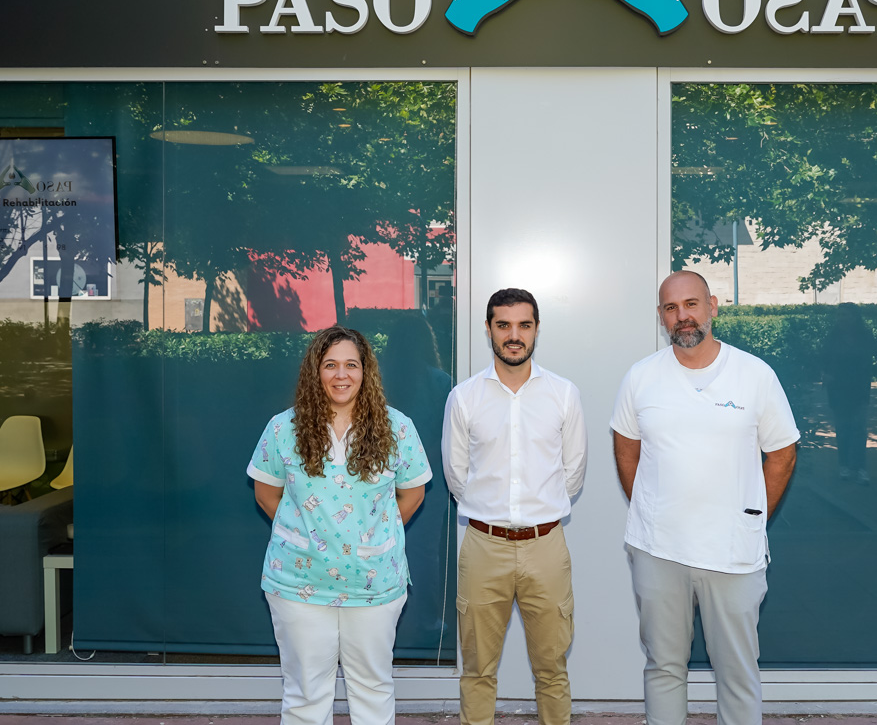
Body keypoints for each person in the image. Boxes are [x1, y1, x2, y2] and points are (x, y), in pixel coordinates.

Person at [612, 270, 798, 725]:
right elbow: (626, 452)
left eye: (692, 304)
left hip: (732, 554)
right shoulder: (641, 378)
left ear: (712, 306)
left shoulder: (754, 375)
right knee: (663, 667)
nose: (683, 316)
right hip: (659, 551)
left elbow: (783, 454)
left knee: (736, 672)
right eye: (672, 308)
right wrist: (657, 513)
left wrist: (751, 518)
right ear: (661, 317)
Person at [247, 325, 432, 725]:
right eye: (330, 365)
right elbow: (265, 494)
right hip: (299, 584)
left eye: (351, 364)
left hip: (374, 584)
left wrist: (370, 536)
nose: (341, 375)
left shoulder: (397, 428)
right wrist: (311, 535)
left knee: (373, 689)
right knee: (305, 695)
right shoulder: (284, 428)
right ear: (315, 371)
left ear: (366, 372)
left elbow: (412, 495)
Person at [442, 287, 588, 725]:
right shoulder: (465, 397)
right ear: (488, 329)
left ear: (537, 329)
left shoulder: (564, 395)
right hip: (483, 546)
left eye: (524, 325)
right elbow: (456, 475)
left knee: (552, 668)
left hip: (546, 546)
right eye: (503, 325)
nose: (514, 335)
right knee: (478, 670)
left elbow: (573, 471)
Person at [821, 302, 875, 485]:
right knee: (843, 429)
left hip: (859, 388)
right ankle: (844, 465)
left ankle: (860, 468)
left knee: (859, 429)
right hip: (838, 389)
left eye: (845, 315)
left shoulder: (866, 337)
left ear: (855, 318)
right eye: (839, 315)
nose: (841, 319)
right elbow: (822, 358)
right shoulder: (832, 337)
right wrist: (824, 373)